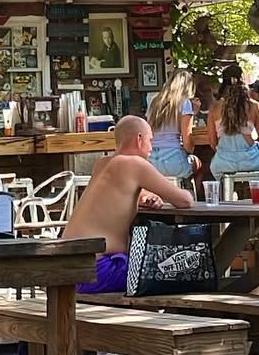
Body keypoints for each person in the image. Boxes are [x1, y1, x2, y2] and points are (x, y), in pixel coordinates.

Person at [62, 115, 193, 293]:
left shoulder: (102, 164)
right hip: (97, 272)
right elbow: (184, 201)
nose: (151, 148)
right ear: (139, 139)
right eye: (150, 140)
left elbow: (113, 196)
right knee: (178, 269)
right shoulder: (136, 164)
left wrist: (144, 197)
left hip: (67, 270)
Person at [208, 63, 259, 178]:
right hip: (251, 162)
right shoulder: (254, 105)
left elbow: (212, 142)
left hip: (223, 163)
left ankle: (226, 193)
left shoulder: (214, 108)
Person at [146, 69, 200, 181]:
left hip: (151, 162)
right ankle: (192, 197)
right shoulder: (185, 103)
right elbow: (187, 143)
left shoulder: (155, 102)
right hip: (173, 161)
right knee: (198, 164)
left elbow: (148, 131)